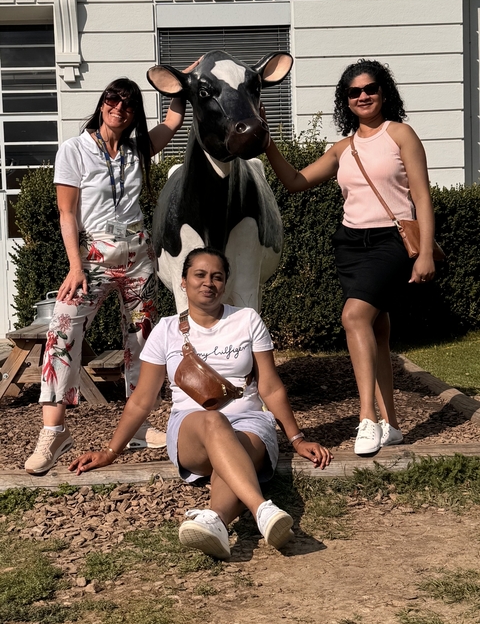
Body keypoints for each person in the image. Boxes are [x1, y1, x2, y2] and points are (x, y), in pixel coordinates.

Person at [69, 247, 333, 560]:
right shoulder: (165, 331)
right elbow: (142, 399)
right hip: (192, 429)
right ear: (184, 281)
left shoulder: (247, 320)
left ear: (225, 284)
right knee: (214, 421)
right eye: (200, 275)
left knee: (232, 455)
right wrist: (111, 451)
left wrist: (297, 438)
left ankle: (215, 522)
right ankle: (262, 508)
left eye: (217, 277)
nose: (209, 282)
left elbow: (270, 386)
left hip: (250, 424)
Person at [262, 59, 436, 457]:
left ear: (383, 92)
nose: (363, 96)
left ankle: (366, 418)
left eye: (370, 89)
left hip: (391, 243)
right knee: (376, 330)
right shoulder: (344, 148)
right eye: (354, 92)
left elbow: (422, 197)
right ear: (346, 100)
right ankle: (392, 424)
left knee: (353, 317)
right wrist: (269, 142)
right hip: (350, 245)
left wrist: (424, 252)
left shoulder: (401, 134)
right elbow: (296, 182)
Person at [25, 74, 191, 474]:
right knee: (62, 330)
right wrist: (75, 265)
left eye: (128, 104)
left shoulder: (139, 149)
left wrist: (182, 80)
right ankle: (54, 432)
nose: (119, 107)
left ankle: (137, 428)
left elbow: (173, 119)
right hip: (94, 256)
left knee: (143, 340)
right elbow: (67, 213)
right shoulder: (75, 150)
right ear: (102, 104)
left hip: (138, 256)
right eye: (112, 100)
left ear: (134, 114)